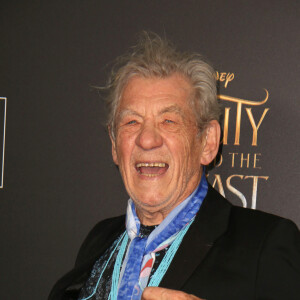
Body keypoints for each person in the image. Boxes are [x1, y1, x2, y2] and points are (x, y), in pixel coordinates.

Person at [49, 32, 300, 300]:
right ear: (114, 144)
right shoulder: (99, 240)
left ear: (207, 142)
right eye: (131, 122)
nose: (146, 139)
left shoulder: (265, 245)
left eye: (169, 121)